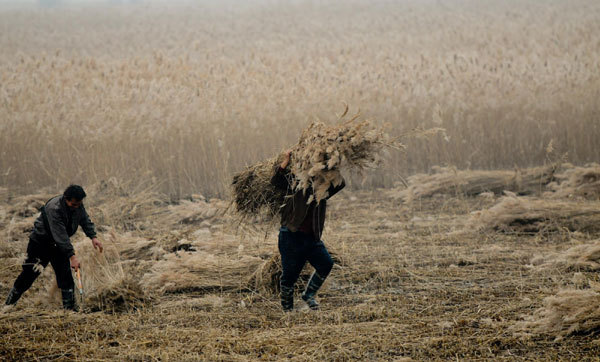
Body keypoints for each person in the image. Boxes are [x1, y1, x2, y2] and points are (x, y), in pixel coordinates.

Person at [4, 185, 103, 311]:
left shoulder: (77, 204)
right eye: (73, 204)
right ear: (66, 199)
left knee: (66, 277)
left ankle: (70, 312)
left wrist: (93, 237)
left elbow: (84, 219)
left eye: (79, 204)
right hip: (40, 244)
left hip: (58, 247)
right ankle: (8, 306)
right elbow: (60, 235)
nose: (76, 206)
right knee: (28, 275)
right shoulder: (54, 208)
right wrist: (72, 256)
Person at [270, 150, 345, 311]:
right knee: (289, 276)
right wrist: (286, 160)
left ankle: (308, 295)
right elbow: (276, 180)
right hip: (291, 235)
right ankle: (287, 310)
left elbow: (341, 183)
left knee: (326, 264)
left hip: (312, 238)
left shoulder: (323, 188)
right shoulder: (297, 182)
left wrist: (333, 163)